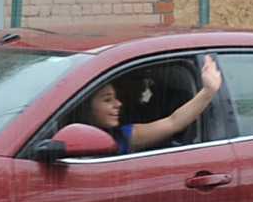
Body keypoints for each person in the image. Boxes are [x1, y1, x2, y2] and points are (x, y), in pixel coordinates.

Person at [79, 55, 225, 153]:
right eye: (107, 100)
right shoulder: (62, 137)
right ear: (86, 107)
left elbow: (174, 122)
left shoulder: (124, 137)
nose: (118, 104)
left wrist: (208, 91)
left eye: (115, 97)